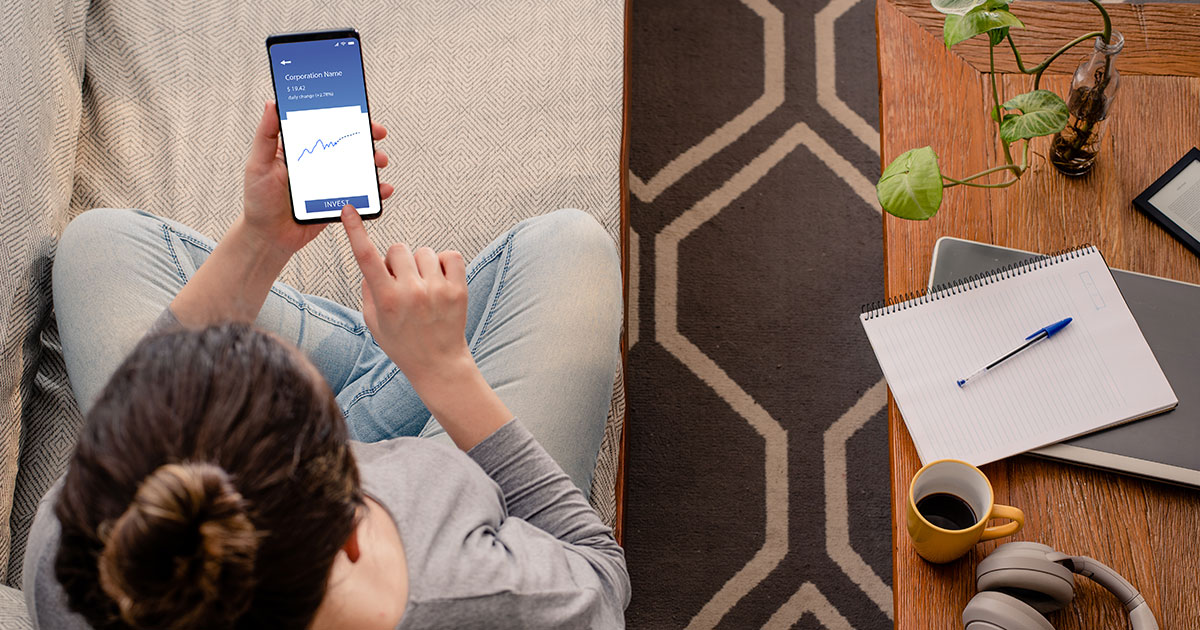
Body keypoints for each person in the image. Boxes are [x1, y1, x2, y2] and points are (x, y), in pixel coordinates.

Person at [21, 102, 629, 629]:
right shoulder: (465, 589)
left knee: (98, 245)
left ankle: (383, 359)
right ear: (352, 537)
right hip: (447, 461)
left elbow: (145, 391)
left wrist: (262, 240)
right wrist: (444, 371)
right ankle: (394, 360)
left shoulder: (79, 555)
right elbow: (600, 576)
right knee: (568, 247)